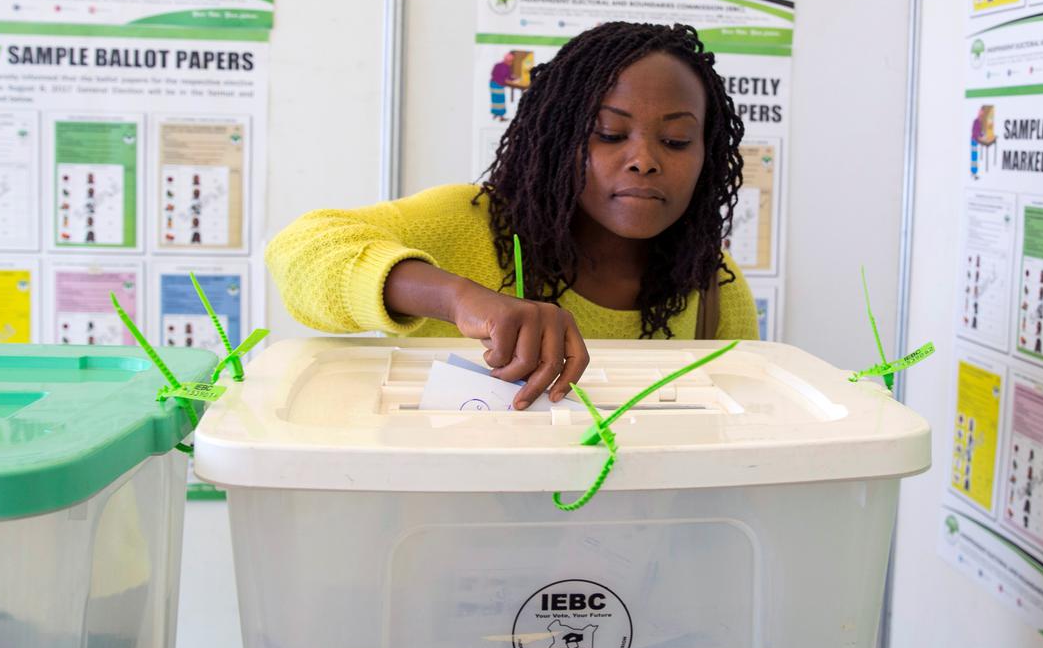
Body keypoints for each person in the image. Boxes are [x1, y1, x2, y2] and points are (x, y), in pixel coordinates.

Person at [267, 21, 758, 408]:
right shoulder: (470, 224)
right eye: (609, 133)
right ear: (559, 139)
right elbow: (299, 250)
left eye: (676, 141)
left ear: (707, 155)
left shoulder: (715, 286)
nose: (644, 159)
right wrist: (459, 299)